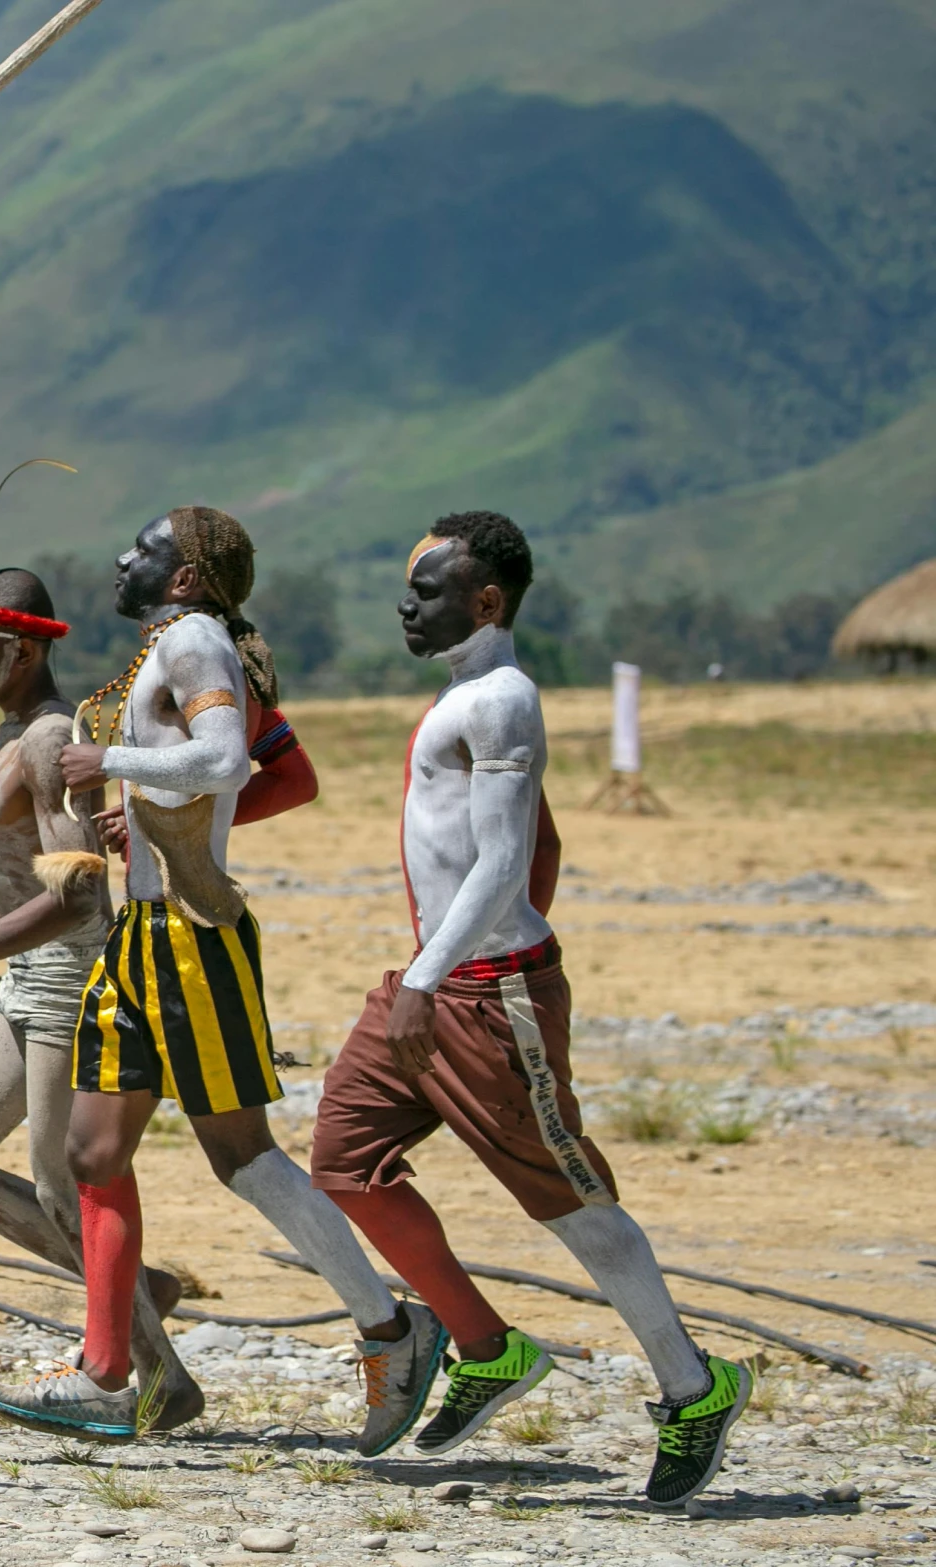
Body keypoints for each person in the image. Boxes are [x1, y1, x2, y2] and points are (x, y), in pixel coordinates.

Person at [311, 512, 748, 1503]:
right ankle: (484, 1345)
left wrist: (431, 978)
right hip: (429, 980)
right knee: (342, 1157)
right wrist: (421, 975)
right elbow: (532, 847)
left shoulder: (501, 698)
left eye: (426, 591)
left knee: (568, 1202)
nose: (405, 605)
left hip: (484, 996)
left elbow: (507, 863)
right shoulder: (462, 693)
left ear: (487, 601)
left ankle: (693, 1387)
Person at [0, 506, 431, 1450]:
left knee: (245, 1160)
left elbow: (226, 758)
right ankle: (107, 1373)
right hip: (137, 936)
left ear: (183, 576)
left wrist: (115, 762)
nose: (119, 558)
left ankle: (393, 1327)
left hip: (191, 940)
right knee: (92, 1155)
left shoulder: (194, 642)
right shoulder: (171, 650)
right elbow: (250, 775)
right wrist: (146, 816)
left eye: (141, 548)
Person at [0, 468, 200, 1430]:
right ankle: (131, 1284)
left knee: (66, 1186)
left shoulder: (48, 737)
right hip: (25, 977)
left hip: (71, 977)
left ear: (22, 653)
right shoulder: (11, 728)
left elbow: (76, 891)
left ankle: (155, 1374)